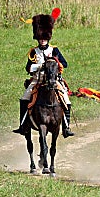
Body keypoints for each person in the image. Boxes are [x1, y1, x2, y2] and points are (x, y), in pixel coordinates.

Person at [12, 9, 74, 138]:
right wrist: (40, 66)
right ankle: (22, 125)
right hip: (37, 81)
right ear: (37, 38)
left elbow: (65, 64)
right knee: (24, 98)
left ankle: (66, 127)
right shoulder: (33, 52)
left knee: (66, 100)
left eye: (45, 38)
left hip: (54, 80)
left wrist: (56, 64)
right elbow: (28, 68)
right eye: (40, 38)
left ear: (48, 38)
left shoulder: (54, 50)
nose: (42, 41)